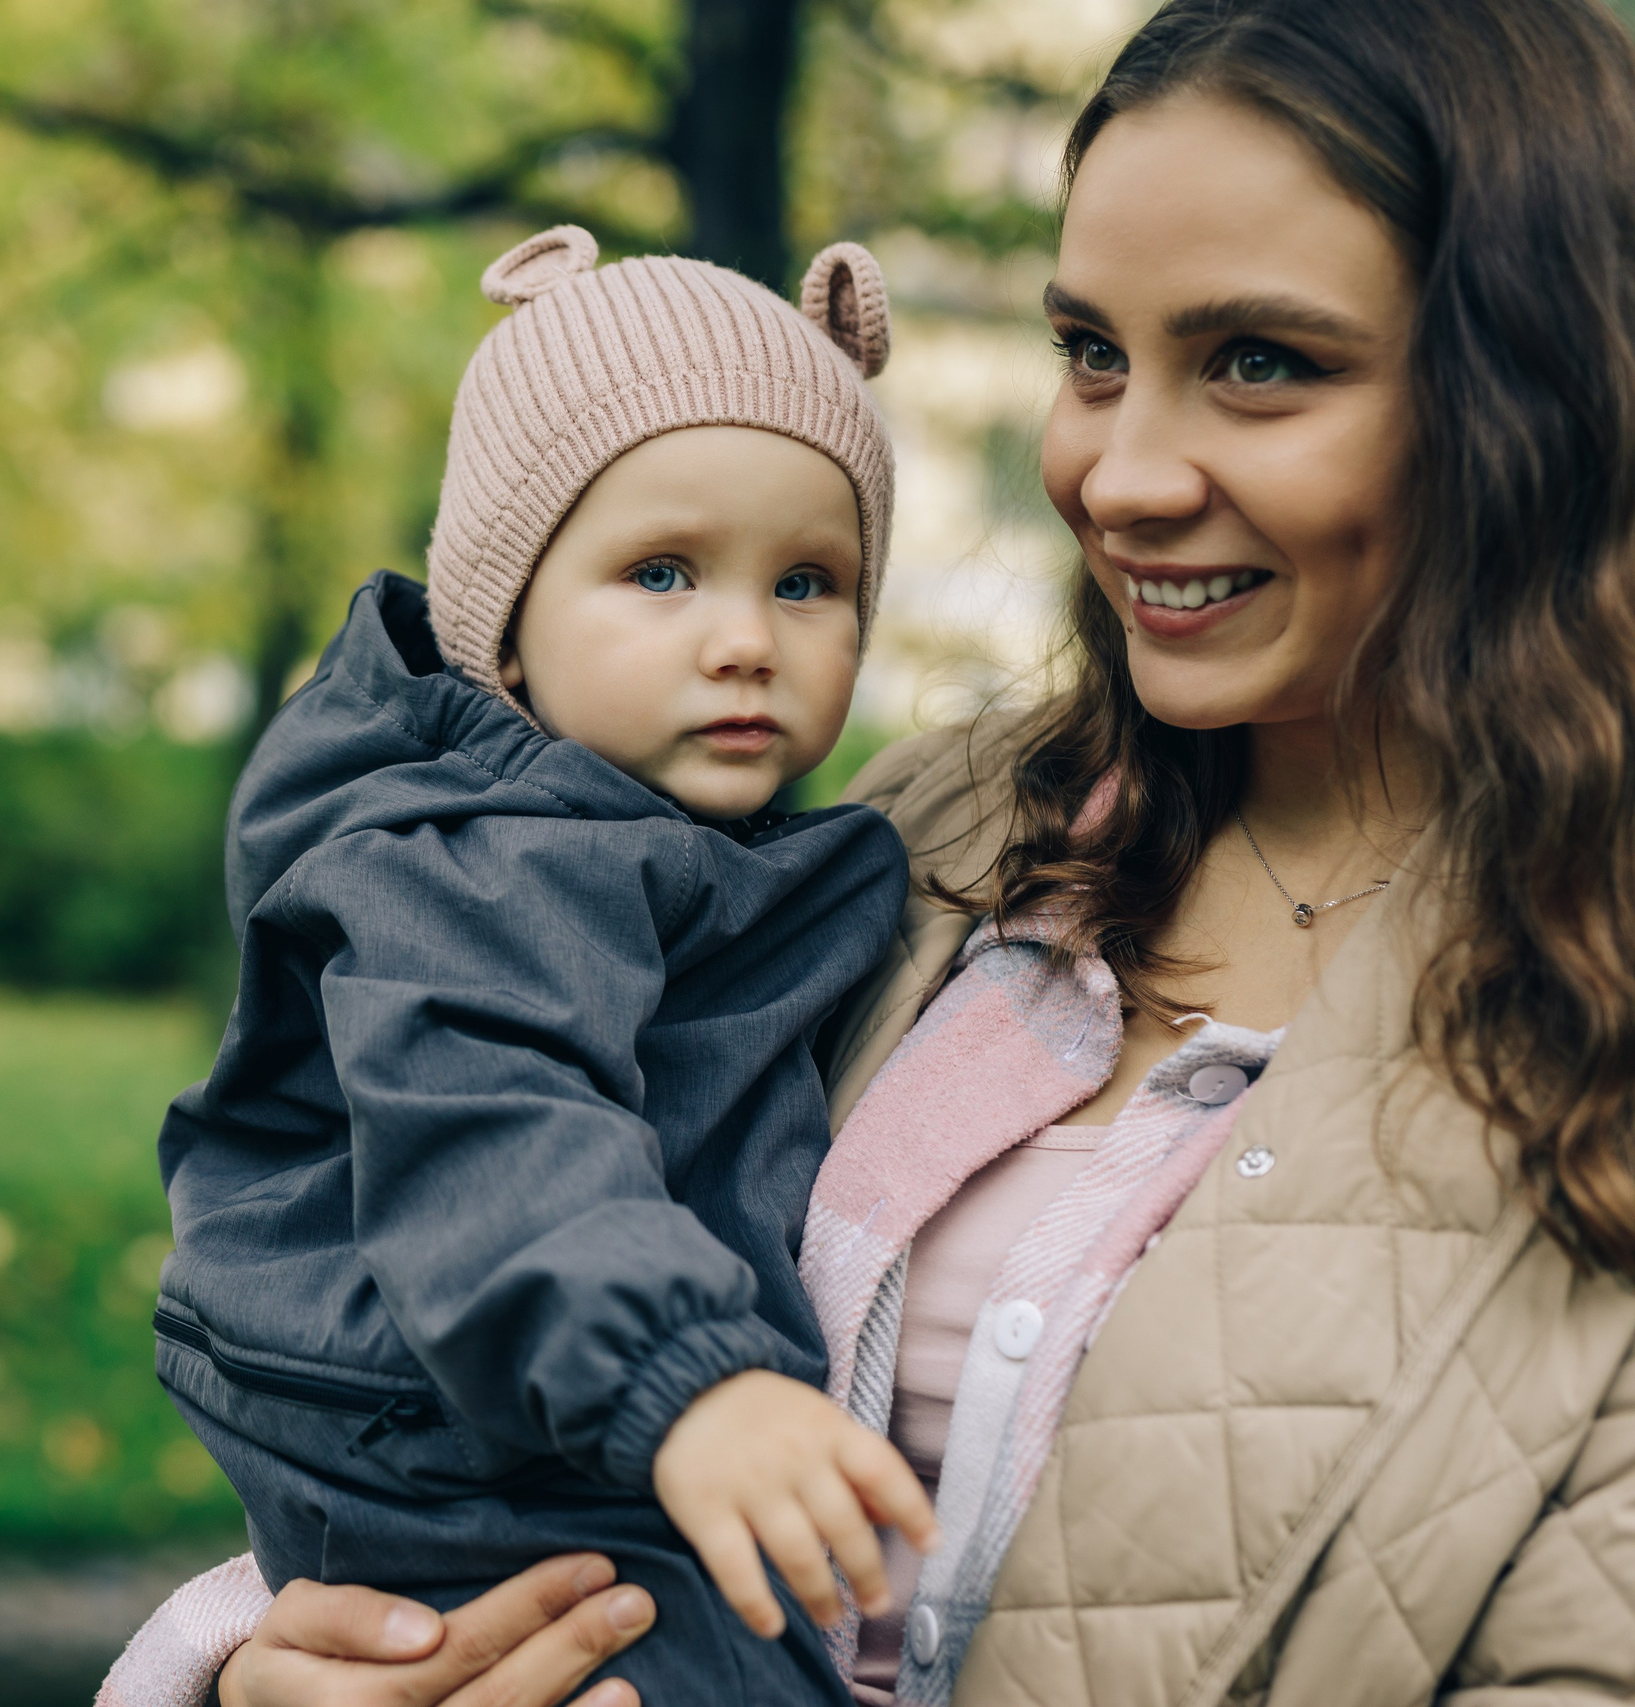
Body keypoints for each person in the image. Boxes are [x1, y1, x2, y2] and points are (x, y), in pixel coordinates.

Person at [105, 0, 1635, 1703]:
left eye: (1262, 363)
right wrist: (252, 1672)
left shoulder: (1594, 1006)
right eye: (1091, 354)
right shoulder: (928, 841)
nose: (1118, 475)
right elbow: (463, 1376)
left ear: (1536, 401)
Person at [149, 226, 941, 1707]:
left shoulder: (707, 843)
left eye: (808, 583)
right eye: (661, 573)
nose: (743, 640)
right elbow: (492, 1121)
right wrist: (686, 1380)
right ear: (499, 627)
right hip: (450, 1407)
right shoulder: (482, 858)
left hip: (541, 1388)